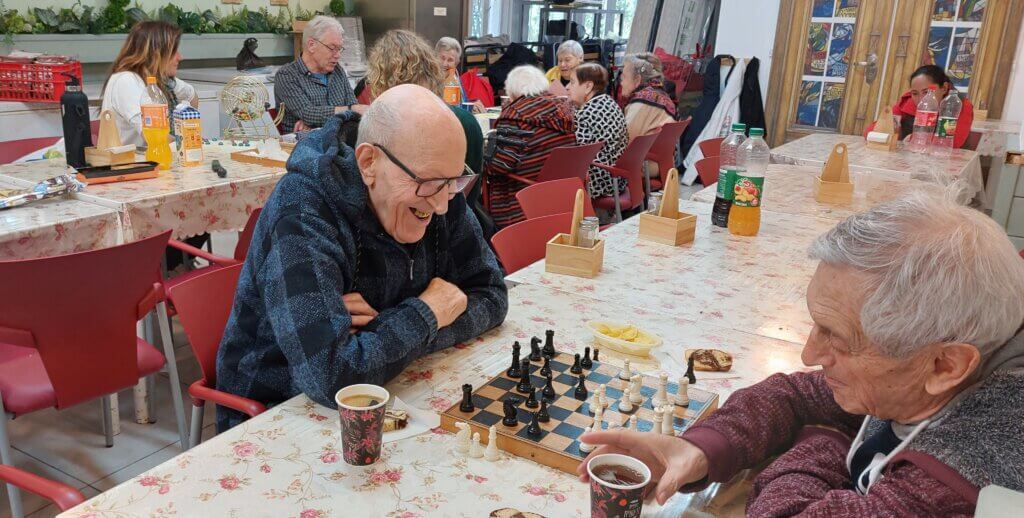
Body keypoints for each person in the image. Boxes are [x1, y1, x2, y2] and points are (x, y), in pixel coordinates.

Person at [579, 191, 1024, 515]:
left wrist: (822, 438)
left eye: (837, 337)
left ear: (945, 365)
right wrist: (700, 448)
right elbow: (798, 394)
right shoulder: (942, 368)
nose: (810, 353)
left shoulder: (961, 482)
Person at [216, 85, 509, 431]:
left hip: (392, 392)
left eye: (455, 181)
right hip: (275, 411)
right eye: (429, 183)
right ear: (369, 163)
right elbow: (332, 376)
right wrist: (428, 312)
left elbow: (492, 295)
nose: (443, 205)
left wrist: (382, 329)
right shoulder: (303, 207)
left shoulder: (439, 183)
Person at [366, 29, 494, 238]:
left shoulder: (381, 130)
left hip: (419, 231)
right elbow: (468, 199)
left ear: (379, 85)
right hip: (454, 230)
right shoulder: (467, 123)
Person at [486, 65, 576, 227]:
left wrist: (484, 157)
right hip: (561, 196)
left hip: (522, 201)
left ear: (512, 91)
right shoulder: (563, 109)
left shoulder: (514, 116)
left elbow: (500, 166)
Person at [101, 21, 198, 148]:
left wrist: (186, 127)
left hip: (150, 156)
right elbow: (156, 137)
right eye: (174, 51)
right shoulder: (126, 80)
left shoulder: (161, 80)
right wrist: (190, 143)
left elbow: (192, 96)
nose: (180, 57)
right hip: (129, 160)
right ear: (156, 54)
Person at [274, 16, 368, 134]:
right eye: (332, 48)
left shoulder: (337, 70)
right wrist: (350, 110)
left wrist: (315, 123)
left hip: (340, 139)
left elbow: (354, 111)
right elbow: (308, 113)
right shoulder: (287, 75)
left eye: (340, 49)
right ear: (311, 45)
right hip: (302, 144)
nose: (337, 55)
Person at [864, 65, 974, 149]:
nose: (921, 99)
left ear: (944, 88)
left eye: (926, 92)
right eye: (915, 93)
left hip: (945, 161)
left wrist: (914, 138)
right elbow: (871, 130)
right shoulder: (908, 101)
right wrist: (890, 131)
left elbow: (953, 141)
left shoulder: (959, 104)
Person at [568, 63, 627, 198]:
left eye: (572, 82)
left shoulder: (584, 115)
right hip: (617, 178)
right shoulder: (610, 103)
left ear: (588, 86)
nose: (568, 87)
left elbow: (577, 155)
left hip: (597, 182)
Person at [621, 52, 677, 141]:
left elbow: (624, 141)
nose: (621, 83)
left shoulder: (641, 103)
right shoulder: (663, 96)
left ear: (637, 80)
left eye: (624, 77)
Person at [435, 36, 486, 113]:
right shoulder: (428, 79)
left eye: (450, 60)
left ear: (456, 63)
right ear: (435, 57)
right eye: (442, 58)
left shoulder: (455, 79)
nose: (444, 64)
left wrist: (473, 106)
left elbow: (462, 104)